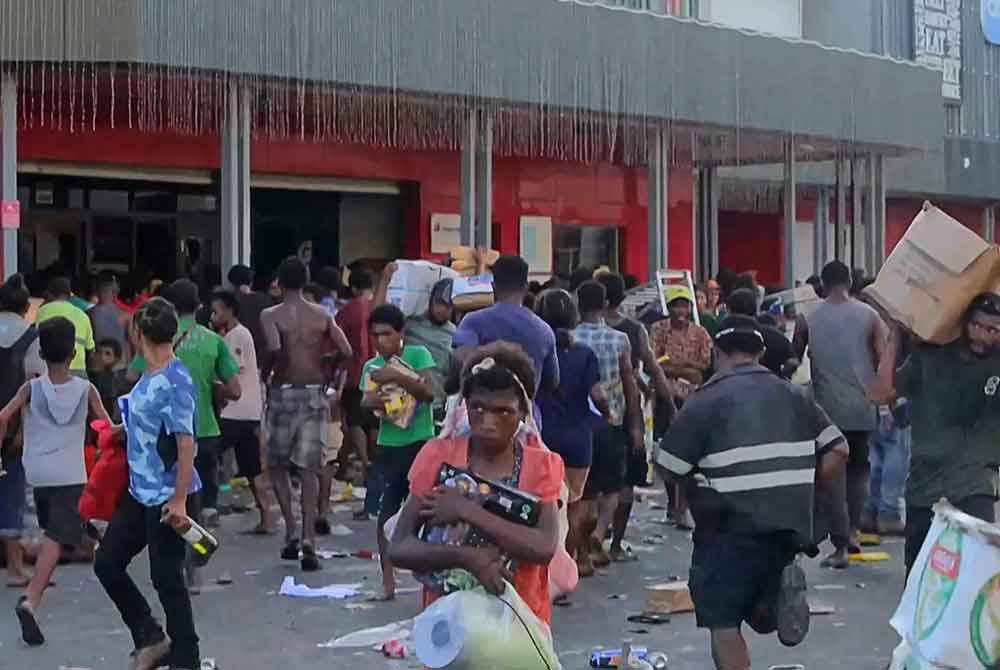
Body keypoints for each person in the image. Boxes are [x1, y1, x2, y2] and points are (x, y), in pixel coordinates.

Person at [657, 316, 848, 670]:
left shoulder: (705, 401)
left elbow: (669, 466)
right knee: (760, 587)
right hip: (787, 529)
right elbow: (839, 450)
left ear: (717, 353)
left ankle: (766, 605)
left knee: (723, 620)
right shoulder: (794, 395)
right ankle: (773, 600)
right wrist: (803, 488)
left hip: (728, 531)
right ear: (760, 353)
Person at [389, 342, 563, 626]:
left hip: (519, 622)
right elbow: (400, 547)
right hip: (448, 623)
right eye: (478, 407)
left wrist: (466, 510)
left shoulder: (542, 465)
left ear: (523, 413)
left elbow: (544, 547)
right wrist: (467, 557)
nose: (487, 422)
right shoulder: (439, 455)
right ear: (465, 406)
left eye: (503, 412)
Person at [94, 298, 203, 670]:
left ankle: (186, 659)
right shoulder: (149, 375)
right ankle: (150, 636)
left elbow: (186, 442)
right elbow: (148, 424)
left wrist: (179, 501)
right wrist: (119, 432)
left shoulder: (175, 380)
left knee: (166, 578)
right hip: (138, 489)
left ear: (138, 334)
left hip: (167, 495)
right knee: (107, 562)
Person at [1, 317, 114, 646]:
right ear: (73, 352)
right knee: (55, 537)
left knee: (62, 528)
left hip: (37, 472)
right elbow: (106, 428)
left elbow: (3, 416)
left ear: (43, 351)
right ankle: (31, 601)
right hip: (69, 474)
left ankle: (89, 540)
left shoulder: (31, 387)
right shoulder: (85, 389)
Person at [875, 292, 1000, 575]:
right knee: (919, 579)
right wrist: (895, 335)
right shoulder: (930, 354)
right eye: (977, 325)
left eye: (993, 330)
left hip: (974, 488)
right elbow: (881, 393)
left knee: (973, 578)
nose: (982, 335)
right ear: (964, 322)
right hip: (924, 488)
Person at [794, 260, 890, 569]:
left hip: (825, 411)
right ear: (850, 282)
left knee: (833, 474)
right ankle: (852, 532)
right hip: (863, 407)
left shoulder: (807, 317)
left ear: (821, 284)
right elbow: (883, 357)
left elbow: (793, 360)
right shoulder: (870, 315)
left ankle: (839, 546)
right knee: (859, 470)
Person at [260, 257, 352, 571]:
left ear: (279, 283)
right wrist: (326, 363)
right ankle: (309, 538)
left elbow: (273, 348)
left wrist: (268, 371)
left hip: (284, 393)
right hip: (314, 393)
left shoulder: (271, 314)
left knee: (277, 465)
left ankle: (291, 530)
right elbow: (347, 350)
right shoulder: (322, 314)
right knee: (311, 469)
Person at [131, 279, 242, 530]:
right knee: (203, 506)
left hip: (165, 437)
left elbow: (132, 377)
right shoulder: (213, 340)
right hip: (205, 430)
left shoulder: (155, 338)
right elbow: (235, 391)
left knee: (170, 509)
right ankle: (198, 550)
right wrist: (212, 387)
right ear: (199, 305)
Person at [595, 272, 674, 558]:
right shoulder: (633, 330)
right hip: (628, 415)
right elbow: (654, 369)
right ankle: (615, 544)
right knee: (626, 480)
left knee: (591, 483)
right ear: (622, 297)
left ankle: (589, 541)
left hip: (589, 417)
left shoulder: (580, 331)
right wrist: (672, 406)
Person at [360, 304, 436, 600]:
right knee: (385, 516)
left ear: (401, 333)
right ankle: (388, 582)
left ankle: (430, 584)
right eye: (376, 335)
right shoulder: (371, 366)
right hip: (390, 446)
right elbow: (367, 401)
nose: (381, 341)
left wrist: (398, 378)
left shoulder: (418, 356)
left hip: (421, 444)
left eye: (387, 334)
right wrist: (388, 393)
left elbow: (429, 393)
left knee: (429, 516)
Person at [535, 288, 609, 577]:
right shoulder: (584, 354)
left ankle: (548, 569)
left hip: (543, 436)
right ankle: (567, 568)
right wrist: (609, 416)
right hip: (578, 438)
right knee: (573, 506)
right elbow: (598, 395)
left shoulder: (537, 350)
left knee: (547, 505)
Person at [573, 280, 643, 569]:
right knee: (612, 485)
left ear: (578, 304)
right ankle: (600, 534)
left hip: (578, 421)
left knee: (585, 489)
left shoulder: (568, 337)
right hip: (611, 421)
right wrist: (636, 425)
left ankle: (581, 549)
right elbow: (630, 383)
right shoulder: (619, 339)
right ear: (603, 305)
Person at [453, 254, 560, 426]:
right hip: (526, 422)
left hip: (480, 420)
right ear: (526, 288)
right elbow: (552, 382)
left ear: (493, 286)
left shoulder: (473, 321)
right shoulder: (544, 330)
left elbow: (459, 362)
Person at [211, 290, 272, 535]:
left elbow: (231, 376)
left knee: (206, 456)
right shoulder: (236, 334)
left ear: (229, 311)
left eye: (216, 311)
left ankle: (206, 508)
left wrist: (214, 387)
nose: (213, 316)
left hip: (236, 411)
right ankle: (267, 517)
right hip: (248, 410)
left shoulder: (235, 337)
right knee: (251, 467)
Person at [0, 275, 43, 589]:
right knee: (12, 493)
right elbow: (31, 388)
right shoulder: (31, 337)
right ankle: (15, 568)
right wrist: (23, 433)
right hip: (13, 425)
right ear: (27, 307)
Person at [374, 263, 456, 424]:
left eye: (449, 306)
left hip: (438, 409)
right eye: (440, 303)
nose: (443, 310)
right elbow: (378, 318)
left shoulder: (456, 334)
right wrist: (385, 279)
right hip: (406, 405)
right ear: (431, 300)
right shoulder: (411, 324)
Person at [335, 265, 374, 486]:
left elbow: (336, 342)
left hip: (355, 373)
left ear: (354, 287)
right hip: (381, 372)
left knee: (355, 420)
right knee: (373, 421)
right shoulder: (382, 305)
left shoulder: (347, 311)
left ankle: (366, 462)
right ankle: (347, 464)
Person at [649, 285, 712, 402]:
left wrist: (681, 363)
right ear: (668, 308)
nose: (681, 310)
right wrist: (686, 371)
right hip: (663, 392)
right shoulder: (658, 329)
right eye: (676, 306)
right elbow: (653, 363)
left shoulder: (700, 332)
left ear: (690, 308)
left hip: (693, 394)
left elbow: (705, 364)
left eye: (684, 306)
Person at [726, 288, 798, 379]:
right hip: (771, 387)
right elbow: (793, 361)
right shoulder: (773, 334)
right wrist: (781, 377)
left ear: (731, 311)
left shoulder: (727, 337)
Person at [37, 276, 95, 378]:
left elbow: (38, 340)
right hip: (78, 369)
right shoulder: (83, 315)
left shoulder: (43, 311)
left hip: (51, 369)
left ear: (50, 294)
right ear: (70, 296)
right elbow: (91, 349)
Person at [227, 264, 276, 357]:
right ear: (251, 282)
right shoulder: (266, 300)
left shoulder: (230, 303)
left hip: (238, 353)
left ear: (232, 284)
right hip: (262, 354)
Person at [89, 271, 130, 366]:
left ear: (97, 292)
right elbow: (138, 347)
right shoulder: (126, 316)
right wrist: (136, 370)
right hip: (120, 367)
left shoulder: (89, 314)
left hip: (97, 366)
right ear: (115, 293)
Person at [92, 338, 127, 420]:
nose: (101, 356)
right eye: (99, 352)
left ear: (117, 359)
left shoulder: (118, 377)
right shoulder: (90, 377)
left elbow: (134, 375)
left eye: (107, 354)